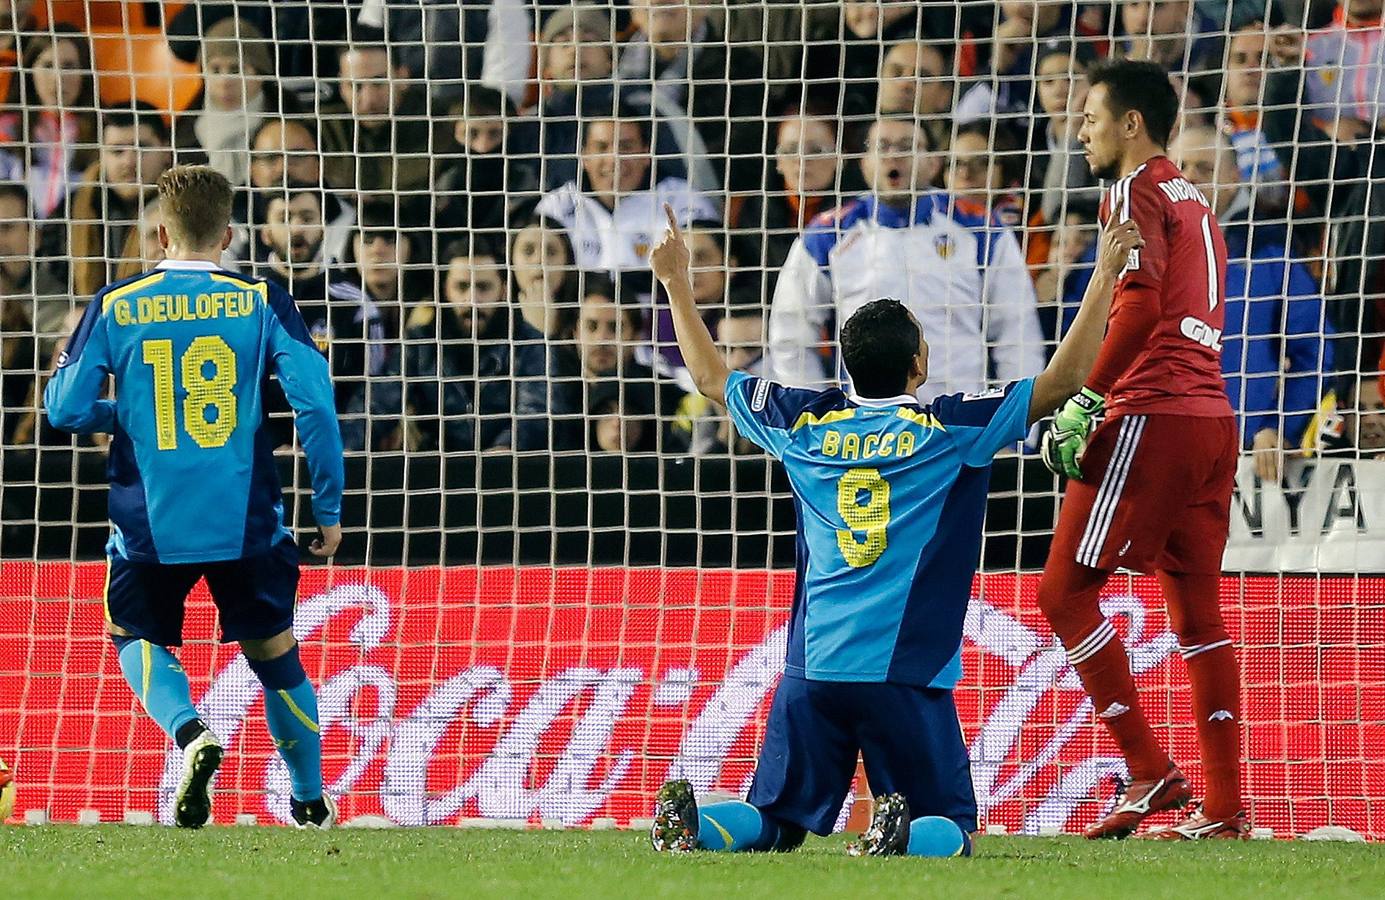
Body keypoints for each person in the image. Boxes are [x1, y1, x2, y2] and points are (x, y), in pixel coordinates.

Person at [646, 197, 1142, 856]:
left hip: (810, 669)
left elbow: (709, 376)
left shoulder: (801, 422)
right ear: (918, 365)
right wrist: (1104, 275)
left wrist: (675, 281)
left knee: (777, 818)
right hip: (902, 672)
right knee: (952, 829)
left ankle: (697, 825)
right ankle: (897, 832)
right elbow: (1063, 380)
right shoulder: (948, 427)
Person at [42, 165, 343, 829]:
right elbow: (316, 406)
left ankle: (189, 733)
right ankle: (310, 801)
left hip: (150, 520)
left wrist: (125, 414)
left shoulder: (119, 303)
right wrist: (328, 509)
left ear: (159, 233)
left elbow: (62, 410)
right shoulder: (262, 300)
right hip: (248, 522)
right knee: (274, 654)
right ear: (230, 234)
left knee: (133, 634)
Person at [1035, 59, 1247, 841]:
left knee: (1062, 593)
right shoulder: (1196, 199)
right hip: (1209, 420)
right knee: (1197, 618)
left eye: (1089, 117)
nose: (1079, 130)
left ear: (1130, 123)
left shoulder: (1131, 191)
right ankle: (1224, 810)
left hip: (1151, 411)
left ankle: (1149, 770)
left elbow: (1142, 302)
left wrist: (1086, 395)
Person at [768, 113, 1045, 402]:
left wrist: (1014, 432)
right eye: (882, 147)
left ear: (933, 162)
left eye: (906, 146)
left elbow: (1018, 332)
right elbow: (791, 337)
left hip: (960, 425)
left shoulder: (981, 229)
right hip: (868, 428)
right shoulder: (827, 234)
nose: (893, 157)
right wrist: (817, 421)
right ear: (864, 162)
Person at [1171, 126, 1333, 482]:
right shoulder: (1136, 250)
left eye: (1203, 167)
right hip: (1156, 449)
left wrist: (1279, 425)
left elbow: (1316, 348)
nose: (1189, 177)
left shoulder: (1270, 251)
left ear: (1234, 176)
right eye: (1180, 166)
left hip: (1244, 458)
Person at [536, 113, 718, 272]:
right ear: (584, 156)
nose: (614, 159)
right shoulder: (556, 206)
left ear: (646, 154)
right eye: (601, 147)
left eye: (626, 147)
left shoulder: (682, 199)